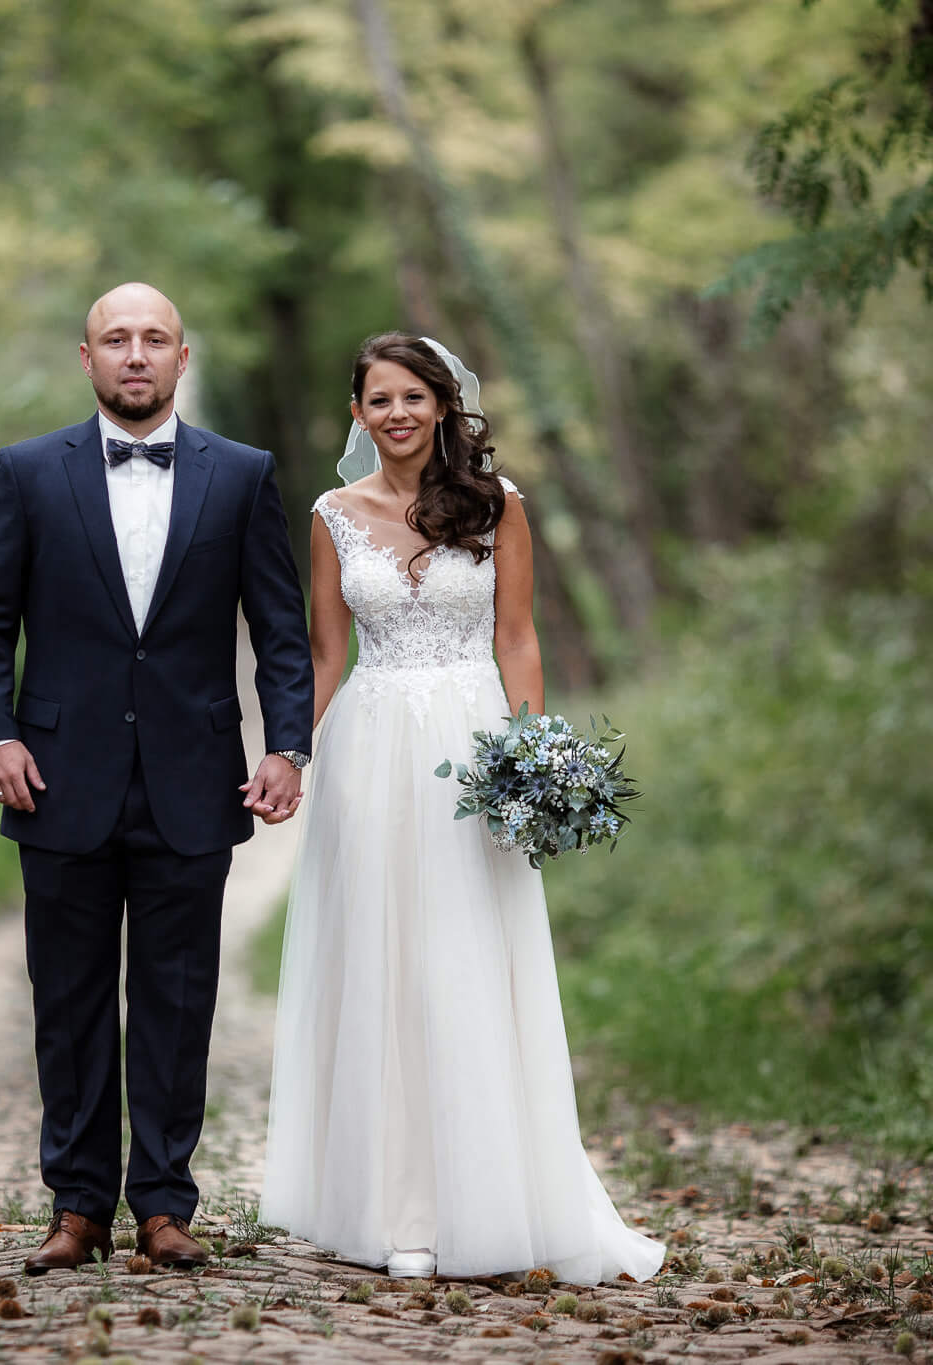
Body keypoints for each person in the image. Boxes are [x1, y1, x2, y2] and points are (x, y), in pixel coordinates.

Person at [260, 332, 665, 1285]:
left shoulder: (497, 506)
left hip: (473, 745)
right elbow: (325, 653)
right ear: (356, 414)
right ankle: (394, 1206)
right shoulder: (331, 515)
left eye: (413, 396)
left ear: (443, 405)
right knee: (382, 960)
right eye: (378, 399)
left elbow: (516, 637)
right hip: (370, 748)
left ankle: (492, 1197)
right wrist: (288, 752)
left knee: (468, 956)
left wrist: (530, 759)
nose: (396, 413)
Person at [0, 283, 315, 1274]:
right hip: (55, 778)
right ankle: (76, 1208)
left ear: (181, 357)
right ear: (85, 359)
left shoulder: (241, 476)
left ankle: (163, 1205)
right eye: (115, 339)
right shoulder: (27, 472)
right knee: (68, 1002)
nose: (135, 354)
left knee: (176, 997)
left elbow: (280, 629)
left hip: (193, 780)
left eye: (153, 338)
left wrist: (286, 745)